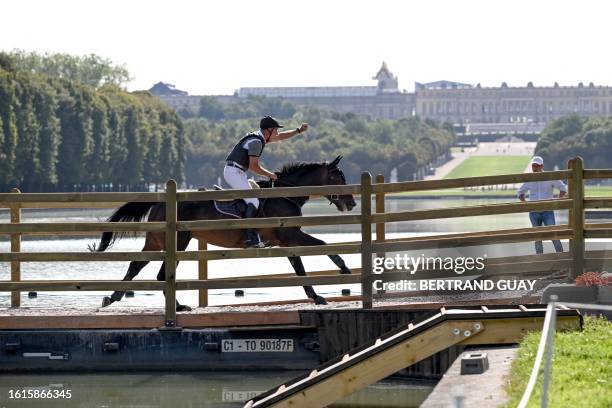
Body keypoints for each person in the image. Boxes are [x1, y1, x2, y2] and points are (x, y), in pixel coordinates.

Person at [224, 116, 309, 247]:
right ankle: (250, 237)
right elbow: (253, 166)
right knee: (253, 201)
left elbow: (281, 137)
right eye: (275, 130)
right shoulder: (257, 142)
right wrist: (270, 175)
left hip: (237, 172)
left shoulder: (259, 137)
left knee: (254, 198)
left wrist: (298, 130)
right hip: (233, 172)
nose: (276, 133)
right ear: (268, 130)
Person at [517, 156, 567, 254]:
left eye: (537, 166)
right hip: (534, 212)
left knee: (553, 234)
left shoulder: (549, 177)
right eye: (533, 166)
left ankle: (561, 256)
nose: (534, 168)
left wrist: (557, 201)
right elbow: (519, 192)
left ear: (542, 166)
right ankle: (540, 258)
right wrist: (526, 204)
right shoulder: (529, 179)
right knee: (537, 237)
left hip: (547, 211)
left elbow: (563, 188)